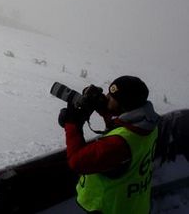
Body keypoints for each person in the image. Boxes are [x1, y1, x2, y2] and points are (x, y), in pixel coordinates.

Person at [58, 75, 160, 214]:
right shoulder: (148, 124)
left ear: (123, 105)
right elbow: (120, 124)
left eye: (111, 97)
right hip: (136, 206)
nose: (106, 97)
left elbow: (77, 161)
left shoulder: (119, 143)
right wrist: (102, 107)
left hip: (110, 208)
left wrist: (72, 124)